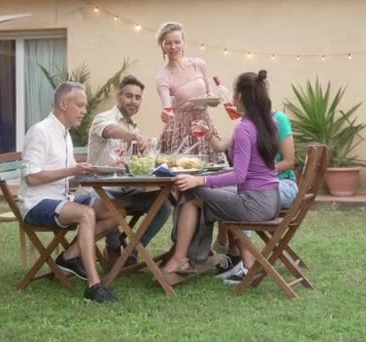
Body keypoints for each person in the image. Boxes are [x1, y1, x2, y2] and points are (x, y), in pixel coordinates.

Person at [161, 70, 280, 286]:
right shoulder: (269, 124)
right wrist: (209, 136)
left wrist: (200, 180)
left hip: (252, 204)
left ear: (240, 97)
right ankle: (194, 258)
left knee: (191, 192)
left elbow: (238, 175)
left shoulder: (245, 128)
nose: (232, 98)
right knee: (200, 199)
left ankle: (181, 258)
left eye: (234, 94)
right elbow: (226, 148)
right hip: (271, 201)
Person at [18, 81, 119, 303]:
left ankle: (69, 257)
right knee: (87, 214)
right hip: (37, 203)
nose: (84, 111)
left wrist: (93, 172)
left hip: (62, 199)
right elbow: (32, 177)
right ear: (64, 104)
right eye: (80, 105)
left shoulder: (65, 134)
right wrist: (72, 170)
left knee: (113, 211)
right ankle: (94, 286)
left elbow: (69, 174)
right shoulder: (40, 132)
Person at [87, 75, 172, 267]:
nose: (133, 101)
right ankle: (113, 249)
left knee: (164, 205)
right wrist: (133, 137)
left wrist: (155, 142)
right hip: (100, 188)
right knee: (112, 203)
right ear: (118, 96)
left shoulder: (133, 125)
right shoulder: (104, 118)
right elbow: (109, 131)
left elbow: (140, 157)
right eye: (129, 96)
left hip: (125, 188)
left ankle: (132, 253)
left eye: (137, 97)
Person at [212, 110, 298, 282]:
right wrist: (209, 135)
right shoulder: (245, 125)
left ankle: (247, 264)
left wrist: (259, 173)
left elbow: (289, 161)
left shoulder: (277, 119)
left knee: (245, 194)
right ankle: (233, 254)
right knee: (226, 192)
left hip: (283, 185)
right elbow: (220, 147)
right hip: (258, 187)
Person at [154, 21, 223, 162]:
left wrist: (212, 100)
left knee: (210, 168)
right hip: (181, 128)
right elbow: (167, 108)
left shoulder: (198, 64)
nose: (173, 47)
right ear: (162, 45)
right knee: (184, 169)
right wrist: (166, 114)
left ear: (184, 43)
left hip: (203, 122)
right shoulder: (163, 76)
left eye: (177, 42)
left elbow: (208, 93)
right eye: (168, 43)